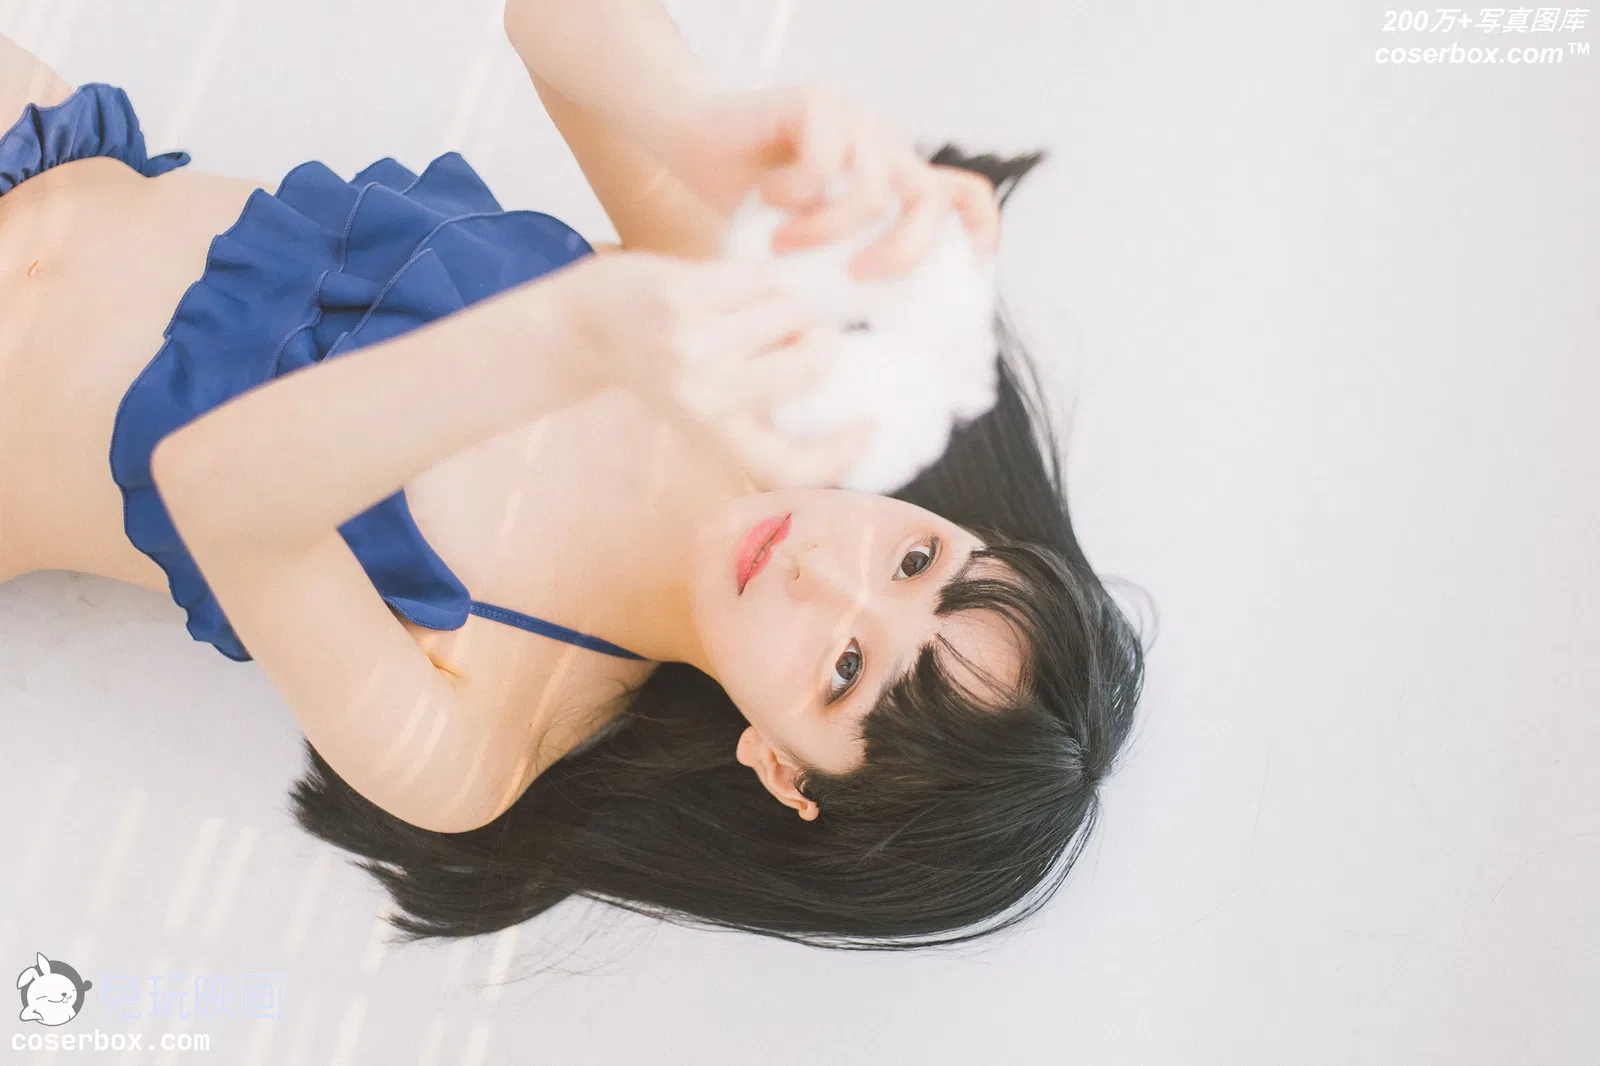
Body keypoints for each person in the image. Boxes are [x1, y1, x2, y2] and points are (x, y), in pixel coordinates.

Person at [0, 0, 1145, 951]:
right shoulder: (738, 371)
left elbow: (213, 488)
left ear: (782, 770)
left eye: (845, 670)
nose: (821, 570)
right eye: (915, 559)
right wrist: (695, 121)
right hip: (43, 145)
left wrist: (579, 336)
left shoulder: (476, 748)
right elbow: (549, 17)